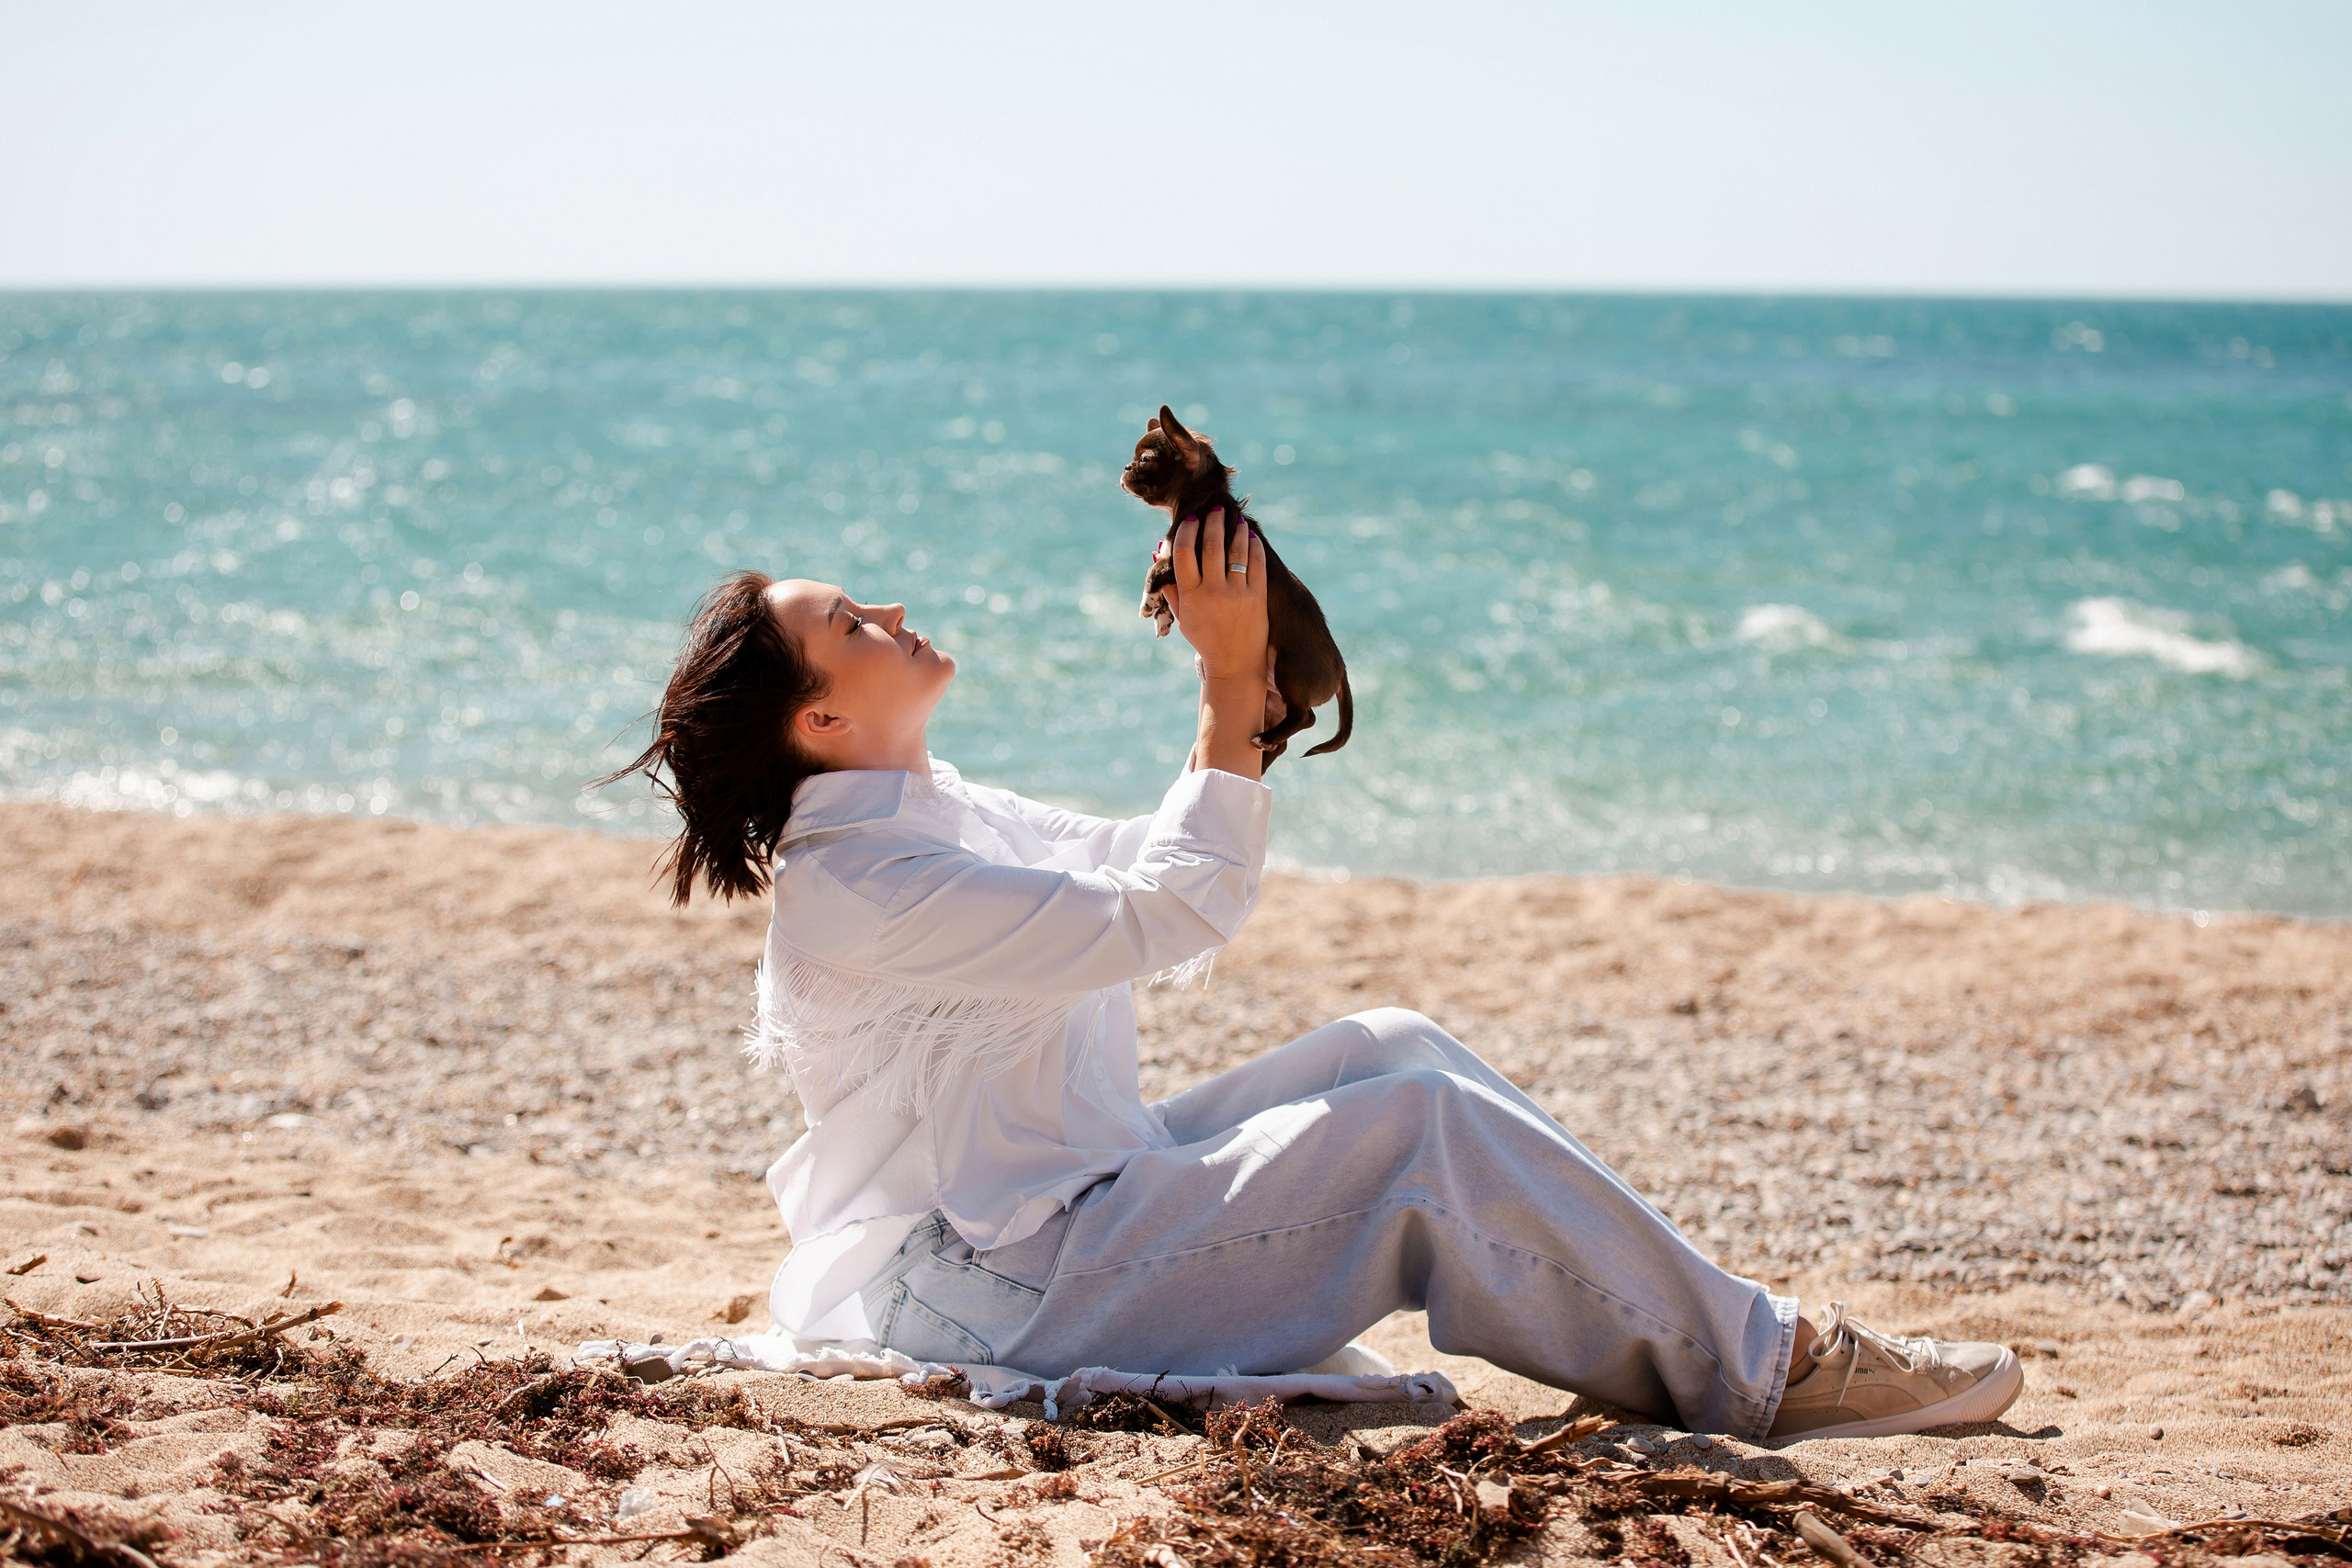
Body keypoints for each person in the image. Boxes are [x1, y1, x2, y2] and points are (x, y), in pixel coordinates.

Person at [603, 509, 2022, 1443]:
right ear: (824, 715)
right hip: (1003, 1288)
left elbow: (1134, 864)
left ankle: (1727, 1329)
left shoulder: (925, 811)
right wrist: (1223, 695)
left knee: (1388, 1048)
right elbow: (1172, 910)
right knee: (1417, 1137)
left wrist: (1248, 702)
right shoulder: (868, 884)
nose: (889, 607)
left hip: (1065, 1216)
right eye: (852, 621)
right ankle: (1772, 1370)